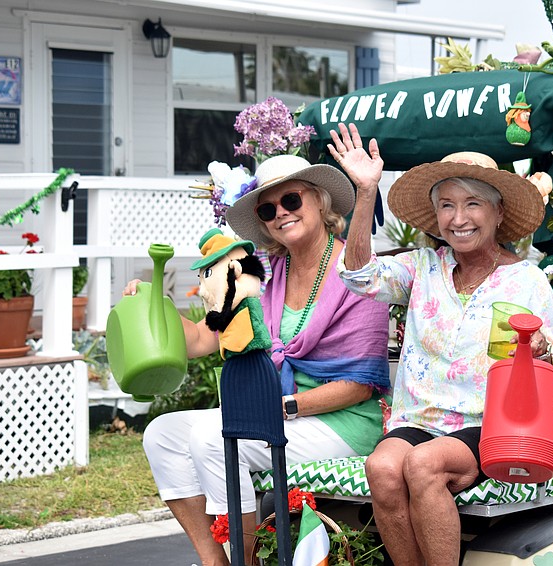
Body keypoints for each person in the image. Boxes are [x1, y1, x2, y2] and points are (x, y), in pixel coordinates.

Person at [130, 154, 391, 566]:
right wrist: (150, 302)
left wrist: (282, 407)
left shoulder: (356, 272)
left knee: (215, 437)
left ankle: (246, 561)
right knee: (161, 434)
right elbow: (200, 337)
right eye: (268, 210)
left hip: (342, 423)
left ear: (320, 201)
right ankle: (216, 561)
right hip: (276, 412)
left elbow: (359, 386)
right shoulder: (264, 272)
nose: (281, 213)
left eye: (292, 200)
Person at [330, 123, 553, 566]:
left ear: (498, 213)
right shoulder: (423, 266)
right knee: (382, 468)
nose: (459, 219)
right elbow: (359, 276)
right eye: (447, 205)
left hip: (486, 422)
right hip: (419, 419)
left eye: (473, 203)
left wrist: (541, 352)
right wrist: (365, 192)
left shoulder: (526, 280)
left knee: (423, 465)